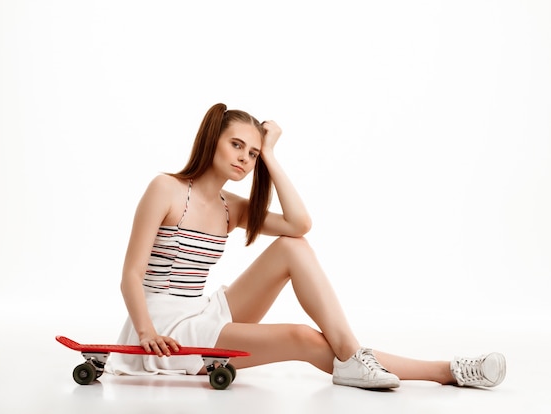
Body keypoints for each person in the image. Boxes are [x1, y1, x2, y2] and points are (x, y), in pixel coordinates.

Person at [105, 103, 506, 389]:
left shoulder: (233, 208)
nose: (245, 158)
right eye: (237, 145)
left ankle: (361, 356)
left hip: (203, 310)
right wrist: (145, 330)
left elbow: (300, 224)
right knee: (306, 338)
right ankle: (444, 371)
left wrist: (273, 155)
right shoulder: (167, 189)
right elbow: (131, 275)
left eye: (253, 152)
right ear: (213, 140)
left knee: (293, 247)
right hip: (163, 325)